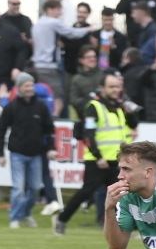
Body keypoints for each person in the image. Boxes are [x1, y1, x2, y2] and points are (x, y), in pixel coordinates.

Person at [54, 73, 132, 234]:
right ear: (102, 88)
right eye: (111, 86)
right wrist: (98, 156)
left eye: (117, 86)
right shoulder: (93, 107)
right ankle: (61, 219)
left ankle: (126, 228)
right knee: (86, 192)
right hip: (98, 160)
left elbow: (131, 125)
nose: (115, 90)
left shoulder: (119, 106)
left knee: (124, 195)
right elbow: (88, 134)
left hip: (117, 159)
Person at [0, 72, 55, 229]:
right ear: (19, 88)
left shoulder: (41, 106)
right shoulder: (11, 107)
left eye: (31, 85)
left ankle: (25, 213)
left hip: (36, 154)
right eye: (26, 85)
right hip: (17, 154)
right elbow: (0, 130)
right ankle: (14, 218)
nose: (30, 88)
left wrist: (50, 148)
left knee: (34, 189)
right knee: (18, 189)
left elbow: (49, 129)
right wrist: (0, 154)